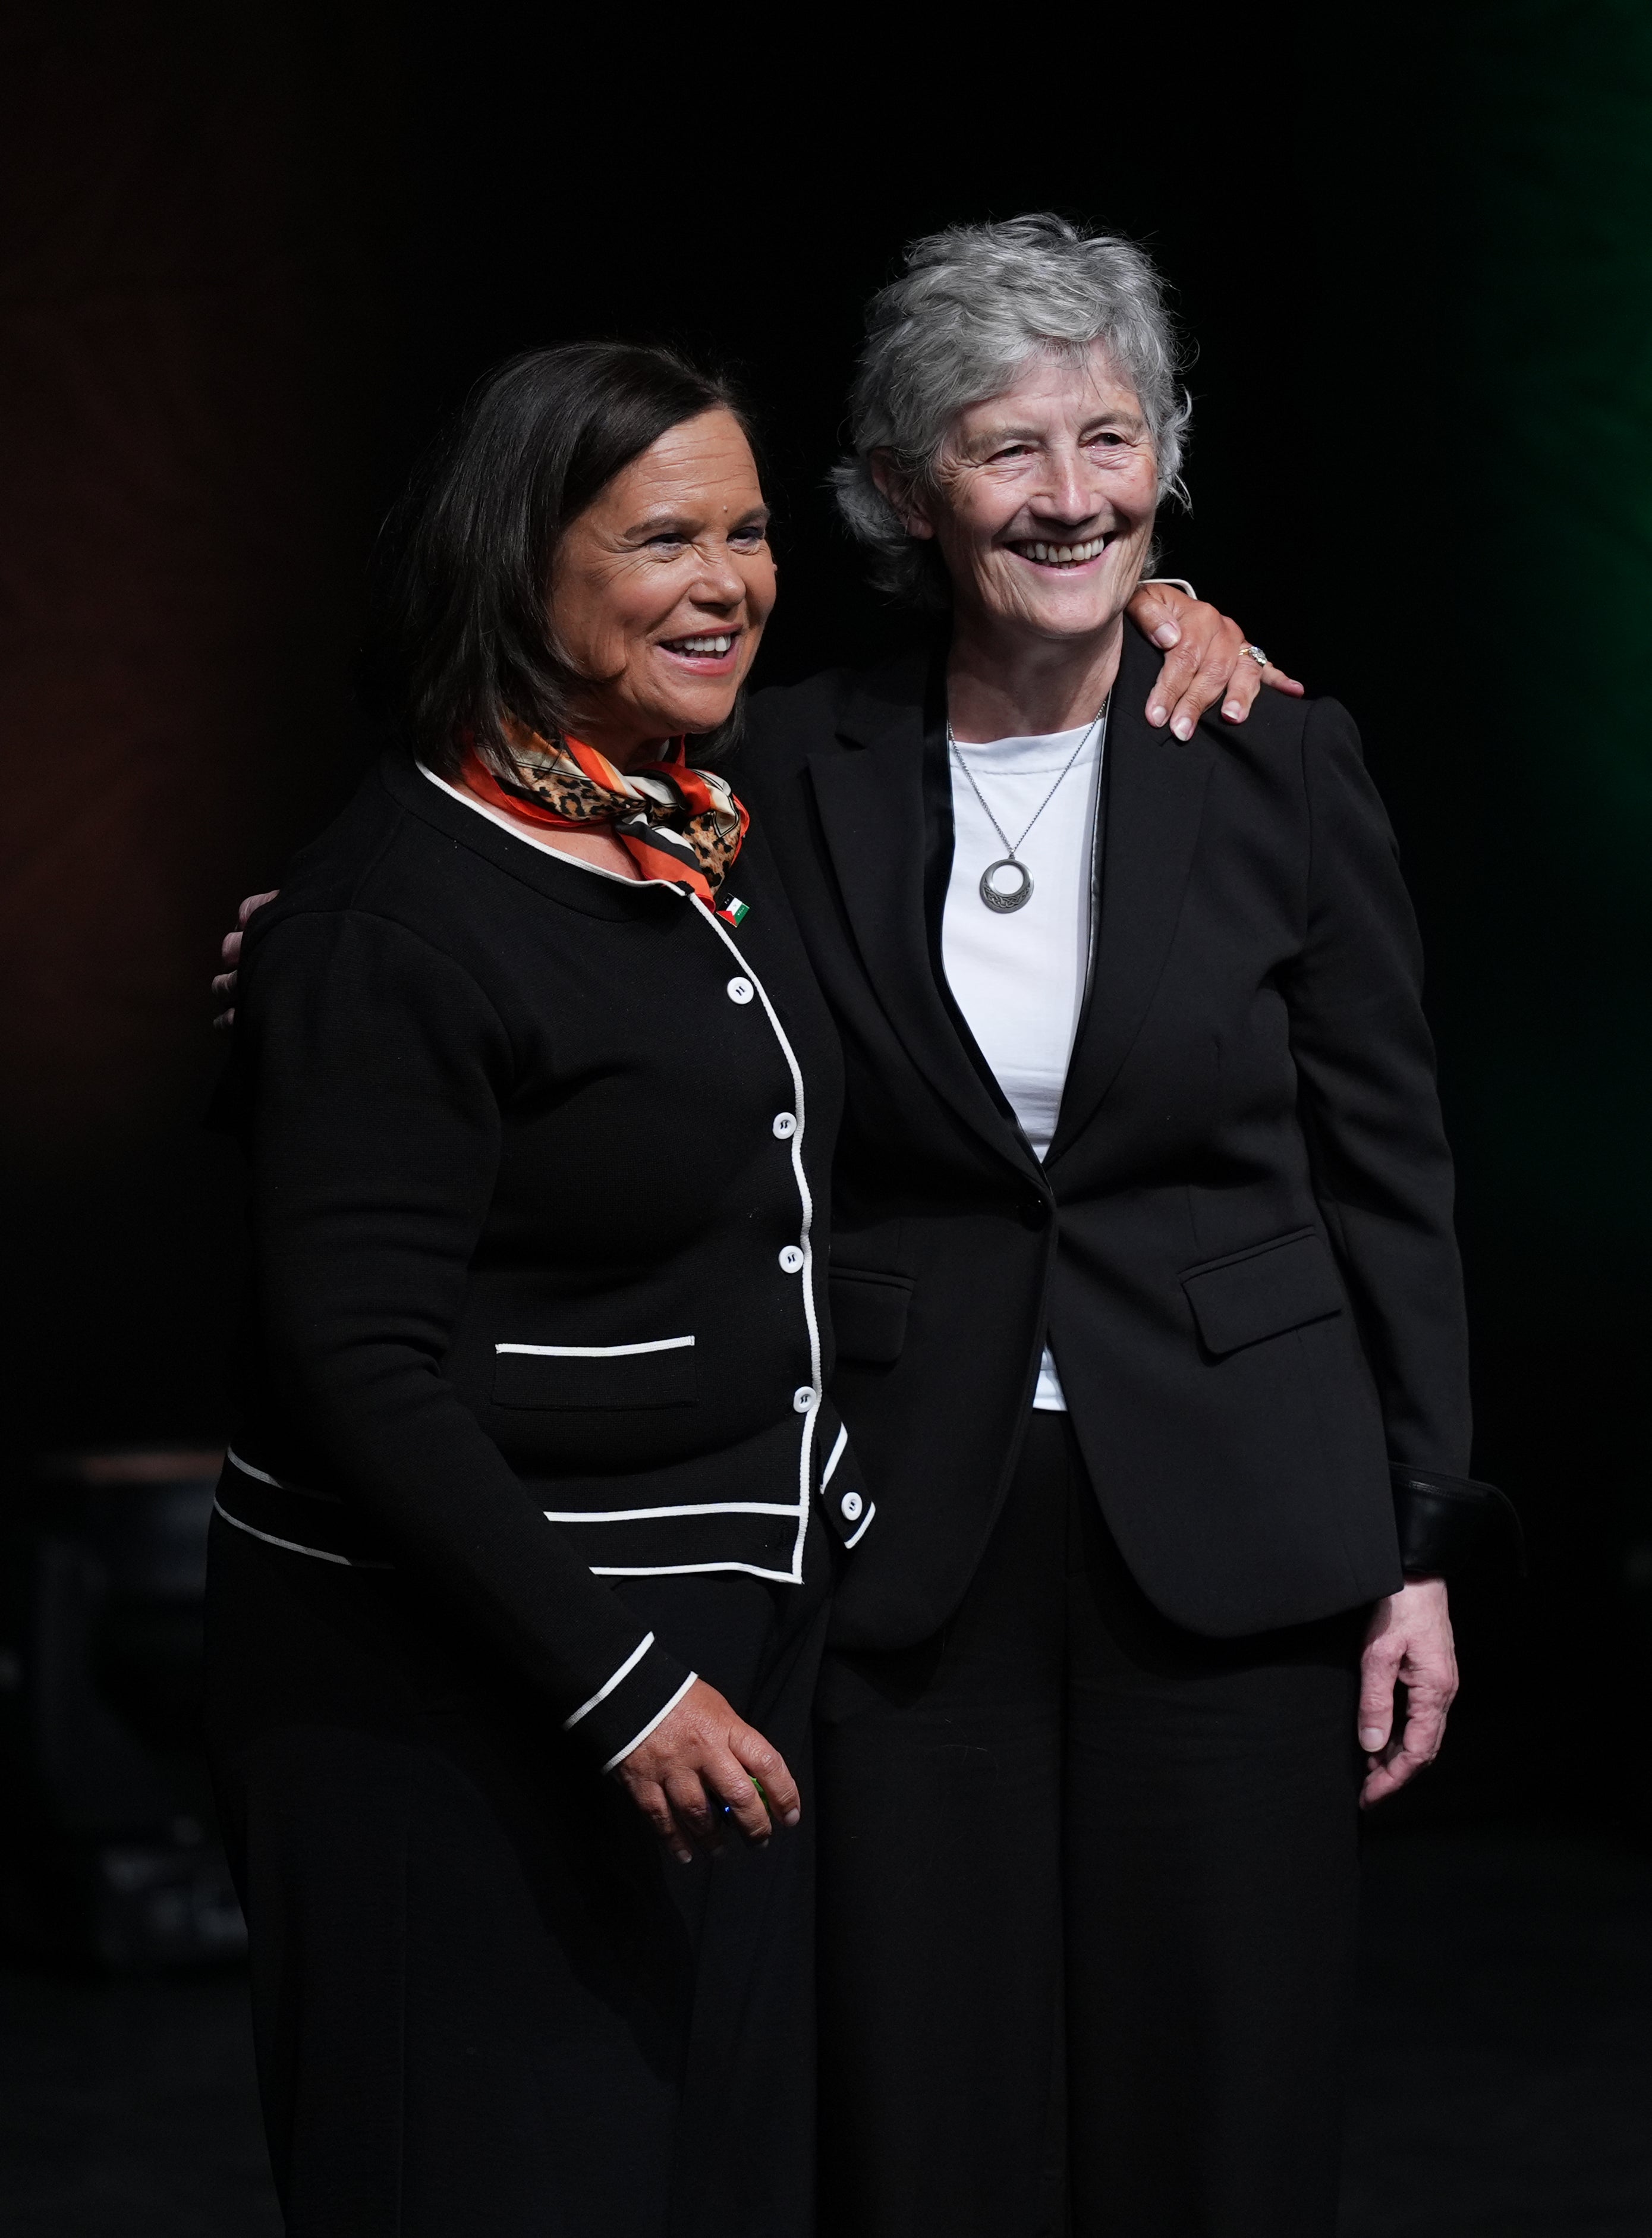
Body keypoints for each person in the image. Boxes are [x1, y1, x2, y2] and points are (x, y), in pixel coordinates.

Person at [204, 334, 1278, 2236]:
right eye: (660, 540)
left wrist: (1162, 600)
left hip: (736, 1674)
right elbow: (350, 1363)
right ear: (516, 562)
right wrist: (619, 1688)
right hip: (480, 1696)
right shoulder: (399, 907)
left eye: (752, 532)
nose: (726, 581)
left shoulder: (708, 810)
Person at [738, 215, 1515, 2238]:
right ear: (911, 486)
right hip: (918, 1514)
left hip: (1242, 1515)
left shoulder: (1277, 749)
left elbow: (1388, 1162)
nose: (1070, 496)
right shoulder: (790, 763)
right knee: (927, 2106)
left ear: (1163, 451)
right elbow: (564, 887)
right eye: (1009, 449)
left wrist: (1419, 1535)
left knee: (1222, 2096)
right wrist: (331, 935)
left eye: (1110, 436)